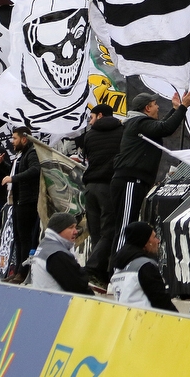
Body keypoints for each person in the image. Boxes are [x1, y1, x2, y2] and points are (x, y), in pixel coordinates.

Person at [111, 90, 190, 255]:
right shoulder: (139, 122)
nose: (158, 107)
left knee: (128, 224)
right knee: (125, 227)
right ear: (147, 108)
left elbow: (159, 127)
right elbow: (165, 128)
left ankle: (121, 264)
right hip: (131, 181)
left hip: (134, 181)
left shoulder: (140, 123)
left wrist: (175, 110)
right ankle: (118, 269)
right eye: (155, 104)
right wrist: (183, 107)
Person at [82, 103, 122, 286]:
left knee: (97, 232)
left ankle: (99, 275)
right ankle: (93, 268)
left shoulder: (89, 136)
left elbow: (89, 158)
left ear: (99, 115)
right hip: (109, 187)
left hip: (90, 187)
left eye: (91, 117)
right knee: (110, 231)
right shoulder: (122, 132)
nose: (90, 121)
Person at [1, 126, 42, 282]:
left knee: (25, 238)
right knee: (18, 237)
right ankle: (18, 269)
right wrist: (2, 166)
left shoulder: (31, 152)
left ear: (24, 139)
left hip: (28, 200)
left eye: (15, 138)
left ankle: (23, 272)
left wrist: (13, 179)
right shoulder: (22, 155)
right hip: (19, 199)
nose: (13, 142)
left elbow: (35, 170)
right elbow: (16, 172)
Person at [110, 221, 177, 311]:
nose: (158, 241)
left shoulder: (118, 267)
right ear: (145, 242)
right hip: (145, 320)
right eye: (154, 237)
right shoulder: (145, 266)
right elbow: (161, 302)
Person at [31, 212, 93, 295]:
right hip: (57, 304)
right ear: (59, 229)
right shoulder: (57, 253)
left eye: (75, 227)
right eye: (71, 227)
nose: (76, 231)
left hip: (43, 301)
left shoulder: (45, 246)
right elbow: (78, 286)